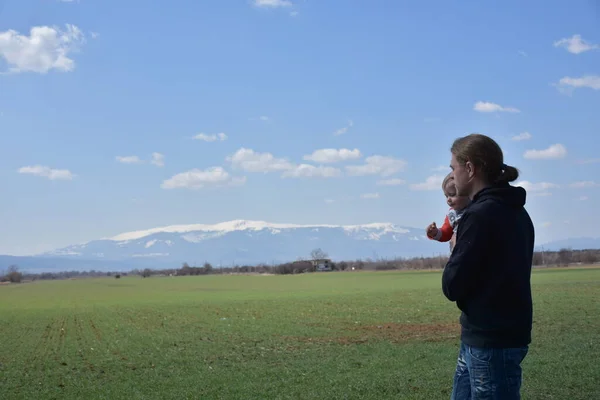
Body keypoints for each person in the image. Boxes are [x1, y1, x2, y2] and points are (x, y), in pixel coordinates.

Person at [442, 133, 534, 400]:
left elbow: (452, 286)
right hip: (494, 334)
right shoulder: (515, 209)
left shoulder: (480, 215)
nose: (452, 175)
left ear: (469, 168)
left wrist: (455, 247)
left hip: (490, 341)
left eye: (453, 168)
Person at [426, 173, 470, 252]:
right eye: (446, 196)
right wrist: (435, 232)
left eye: (452, 195)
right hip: (458, 257)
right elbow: (445, 233)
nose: (448, 199)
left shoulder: (477, 208)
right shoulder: (452, 214)